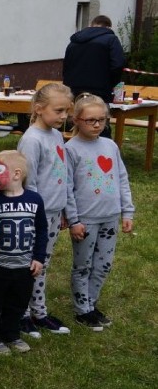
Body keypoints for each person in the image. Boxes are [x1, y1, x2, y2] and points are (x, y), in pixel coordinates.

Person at [65, 94, 134, 331]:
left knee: (103, 264)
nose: (96, 125)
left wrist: (127, 212)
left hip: (110, 217)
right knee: (83, 264)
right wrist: (73, 220)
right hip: (86, 220)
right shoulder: (70, 149)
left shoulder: (110, 146)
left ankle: (91, 304)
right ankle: (82, 309)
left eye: (102, 120)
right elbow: (67, 188)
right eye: (90, 120)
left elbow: (122, 179)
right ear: (76, 120)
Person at [16, 83, 74, 338]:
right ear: (39, 109)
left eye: (66, 111)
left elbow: (61, 175)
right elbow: (30, 182)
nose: (64, 116)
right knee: (31, 263)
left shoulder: (56, 135)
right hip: (36, 216)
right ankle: (22, 314)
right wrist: (37, 216)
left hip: (53, 213)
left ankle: (38, 311)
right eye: (59, 110)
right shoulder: (31, 140)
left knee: (43, 263)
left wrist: (62, 210)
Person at [0, 150, 48, 355]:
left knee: (17, 303)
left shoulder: (35, 200)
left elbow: (42, 229)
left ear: (16, 174)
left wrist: (38, 257)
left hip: (24, 266)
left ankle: (12, 334)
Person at [62, 14, 125, 104]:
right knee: (98, 116)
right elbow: (118, 64)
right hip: (100, 90)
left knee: (76, 115)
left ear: (91, 25)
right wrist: (112, 83)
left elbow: (66, 65)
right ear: (108, 27)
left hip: (73, 89)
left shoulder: (74, 41)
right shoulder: (111, 39)